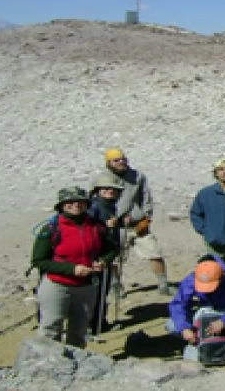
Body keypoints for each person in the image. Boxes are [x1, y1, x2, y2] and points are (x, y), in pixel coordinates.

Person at [31, 187, 118, 348]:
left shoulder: (97, 227)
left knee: (79, 331)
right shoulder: (51, 229)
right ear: (61, 205)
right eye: (70, 202)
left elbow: (112, 249)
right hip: (56, 285)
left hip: (86, 287)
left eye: (80, 202)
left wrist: (103, 262)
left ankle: (75, 365)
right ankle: (46, 366)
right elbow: (38, 261)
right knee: (51, 328)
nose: (76, 205)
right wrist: (72, 269)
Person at [93, 147, 171, 295]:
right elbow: (95, 202)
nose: (121, 162)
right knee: (114, 258)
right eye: (116, 160)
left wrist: (146, 217)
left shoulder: (137, 176)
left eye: (123, 159)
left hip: (137, 223)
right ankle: (116, 286)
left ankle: (163, 284)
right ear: (108, 162)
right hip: (115, 226)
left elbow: (146, 198)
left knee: (154, 252)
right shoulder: (101, 179)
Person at [87, 174, 125, 332]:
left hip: (106, 254)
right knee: (94, 291)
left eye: (114, 189)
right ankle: (92, 325)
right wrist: (105, 225)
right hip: (96, 255)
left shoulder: (110, 205)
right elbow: (87, 228)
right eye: (106, 189)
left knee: (102, 289)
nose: (110, 191)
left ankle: (99, 323)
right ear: (98, 190)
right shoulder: (94, 206)